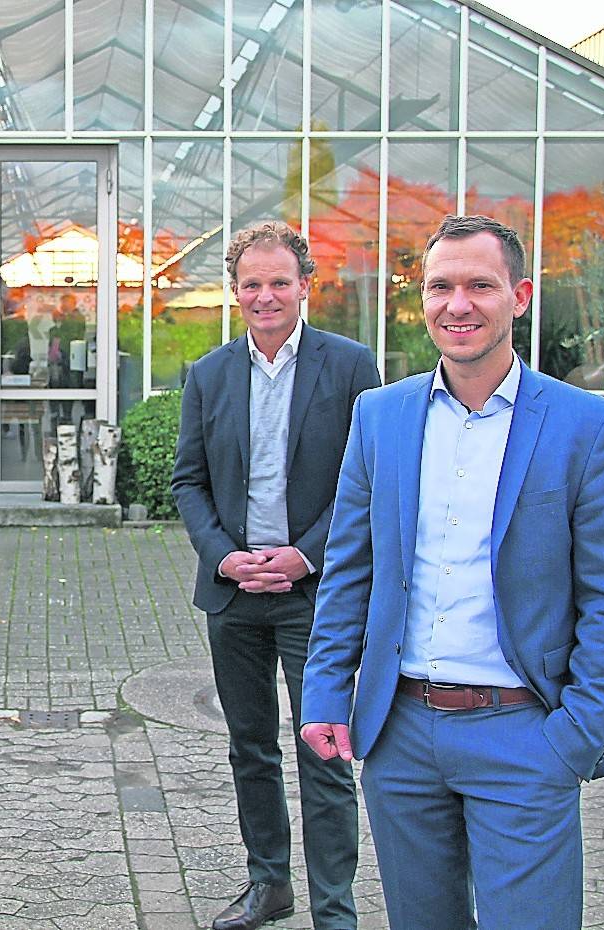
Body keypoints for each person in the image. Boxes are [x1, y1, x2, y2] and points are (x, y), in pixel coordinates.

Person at [300, 215, 604, 930]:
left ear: (519, 296)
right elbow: (349, 571)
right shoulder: (381, 416)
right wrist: (326, 694)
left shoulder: (587, 425)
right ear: (420, 300)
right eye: (440, 287)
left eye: (479, 286)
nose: (458, 304)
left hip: (524, 733)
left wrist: (574, 738)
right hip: (399, 736)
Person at [172, 221, 380, 930]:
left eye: (279, 282)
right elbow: (188, 483)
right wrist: (224, 557)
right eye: (252, 283)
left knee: (323, 747)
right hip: (233, 596)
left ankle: (334, 908)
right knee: (250, 747)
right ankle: (269, 885)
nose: (266, 295)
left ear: (304, 286)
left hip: (312, 594)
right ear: (235, 292)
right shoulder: (208, 374)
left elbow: (365, 481)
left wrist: (306, 554)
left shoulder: (350, 366)